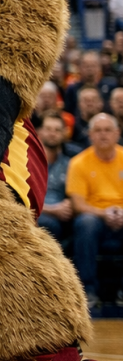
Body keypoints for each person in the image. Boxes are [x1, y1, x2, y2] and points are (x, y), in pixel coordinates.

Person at [67, 113, 123, 307]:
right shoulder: (79, 163)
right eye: (98, 130)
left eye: (108, 130)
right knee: (85, 223)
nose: (103, 135)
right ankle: (87, 291)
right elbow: (78, 205)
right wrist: (105, 212)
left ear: (117, 133)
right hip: (95, 215)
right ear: (90, 135)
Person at [36, 112, 74, 247]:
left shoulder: (71, 164)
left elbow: (75, 195)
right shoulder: (28, 162)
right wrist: (52, 210)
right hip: (35, 212)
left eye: (57, 130)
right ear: (39, 132)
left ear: (64, 133)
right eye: (48, 129)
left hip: (61, 217)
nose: (52, 134)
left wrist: (69, 205)